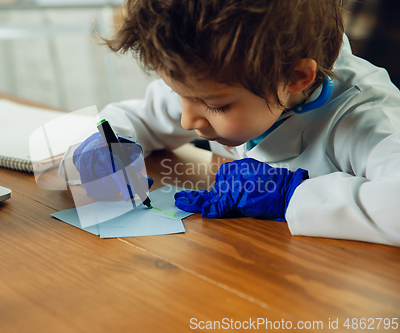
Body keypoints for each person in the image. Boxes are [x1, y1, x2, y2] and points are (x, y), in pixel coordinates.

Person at [70, 0, 400, 247]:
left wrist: (291, 194)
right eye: (177, 92)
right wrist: (103, 149)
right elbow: (135, 116)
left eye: (216, 105)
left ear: (297, 77)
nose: (187, 119)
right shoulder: (218, 78)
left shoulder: (367, 116)